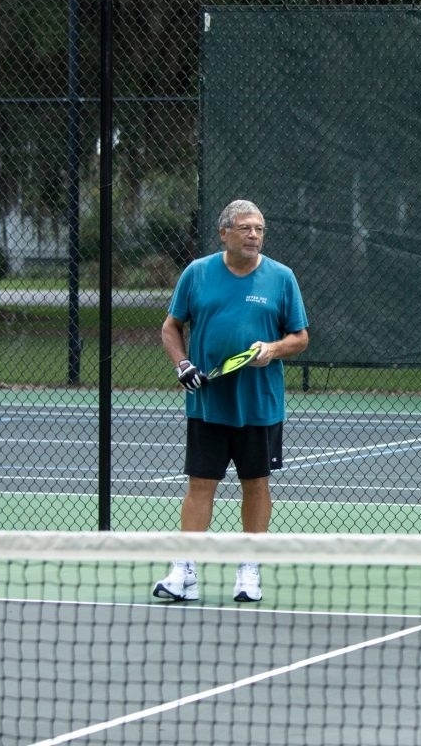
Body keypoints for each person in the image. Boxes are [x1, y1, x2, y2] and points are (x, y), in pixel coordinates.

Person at [153, 199, 309, 603]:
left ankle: (249, 568)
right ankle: (184, 571)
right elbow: (171, 327)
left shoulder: (282, 277)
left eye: (259, 228)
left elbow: (300, 337)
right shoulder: (198, 274)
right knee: (200, 485)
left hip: (260, 404)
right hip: (208, 403)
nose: (253, 235)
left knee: (256, 485)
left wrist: (272, 350)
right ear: (224, 232)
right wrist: (182, 363)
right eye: (245, 228)